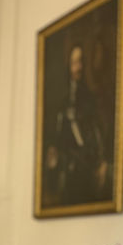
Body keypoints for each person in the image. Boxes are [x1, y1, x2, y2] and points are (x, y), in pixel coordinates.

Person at [42, 43, 110, 208]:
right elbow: (58, 138)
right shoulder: (63, 101)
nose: (77, 67)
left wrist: (102, 163)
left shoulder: (90, 99)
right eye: (74, 62)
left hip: (86, 168)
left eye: (80, 62)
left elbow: (98, 133)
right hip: (69, 169)